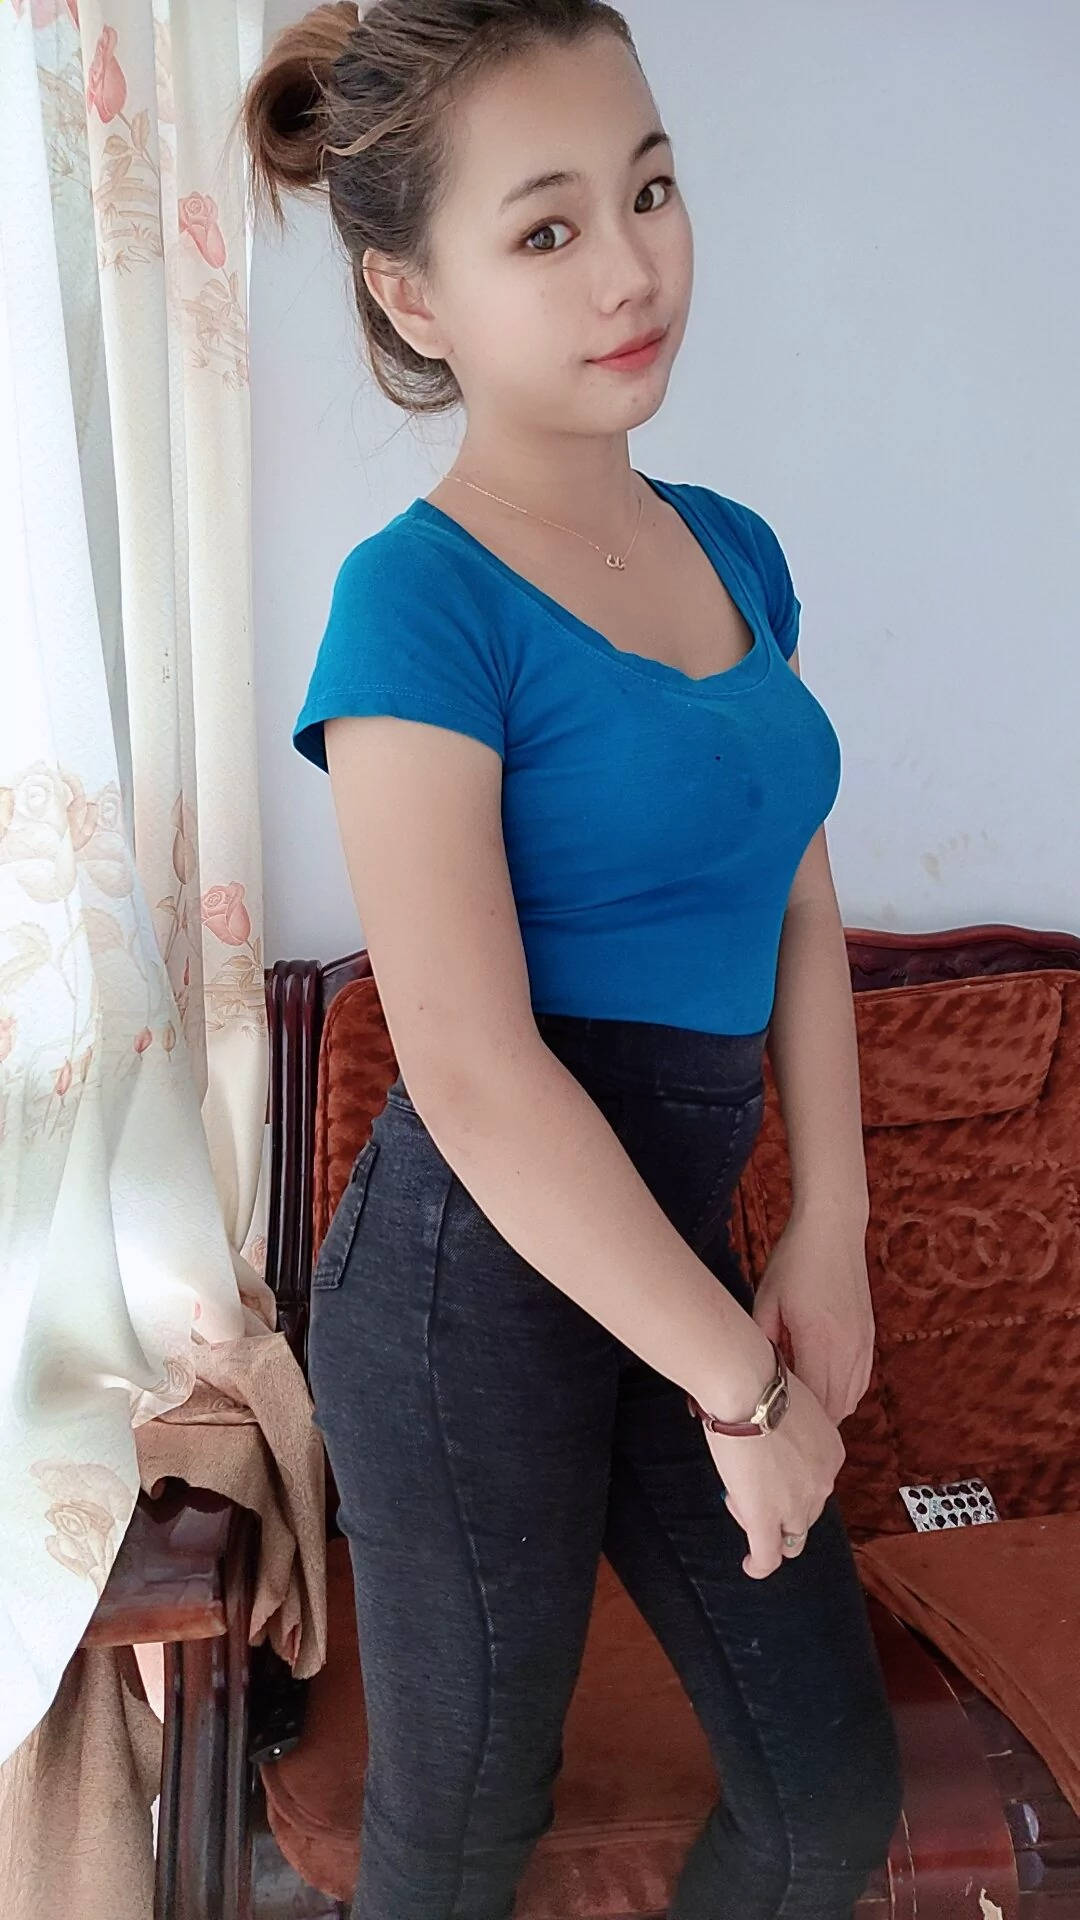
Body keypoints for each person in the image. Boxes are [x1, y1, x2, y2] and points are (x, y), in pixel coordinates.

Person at [241, 3, 904, 1914]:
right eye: (545, 229)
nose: (629, 268)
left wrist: (831, 1226)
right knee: (464, 1822)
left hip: (677, 1257)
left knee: (825, 1805)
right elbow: (467, 1066)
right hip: (470, 1294)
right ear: (414, 295)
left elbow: (796, 897)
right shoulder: (414, 601)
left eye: (651, 190)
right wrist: (743, 1396)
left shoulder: (736, 551)